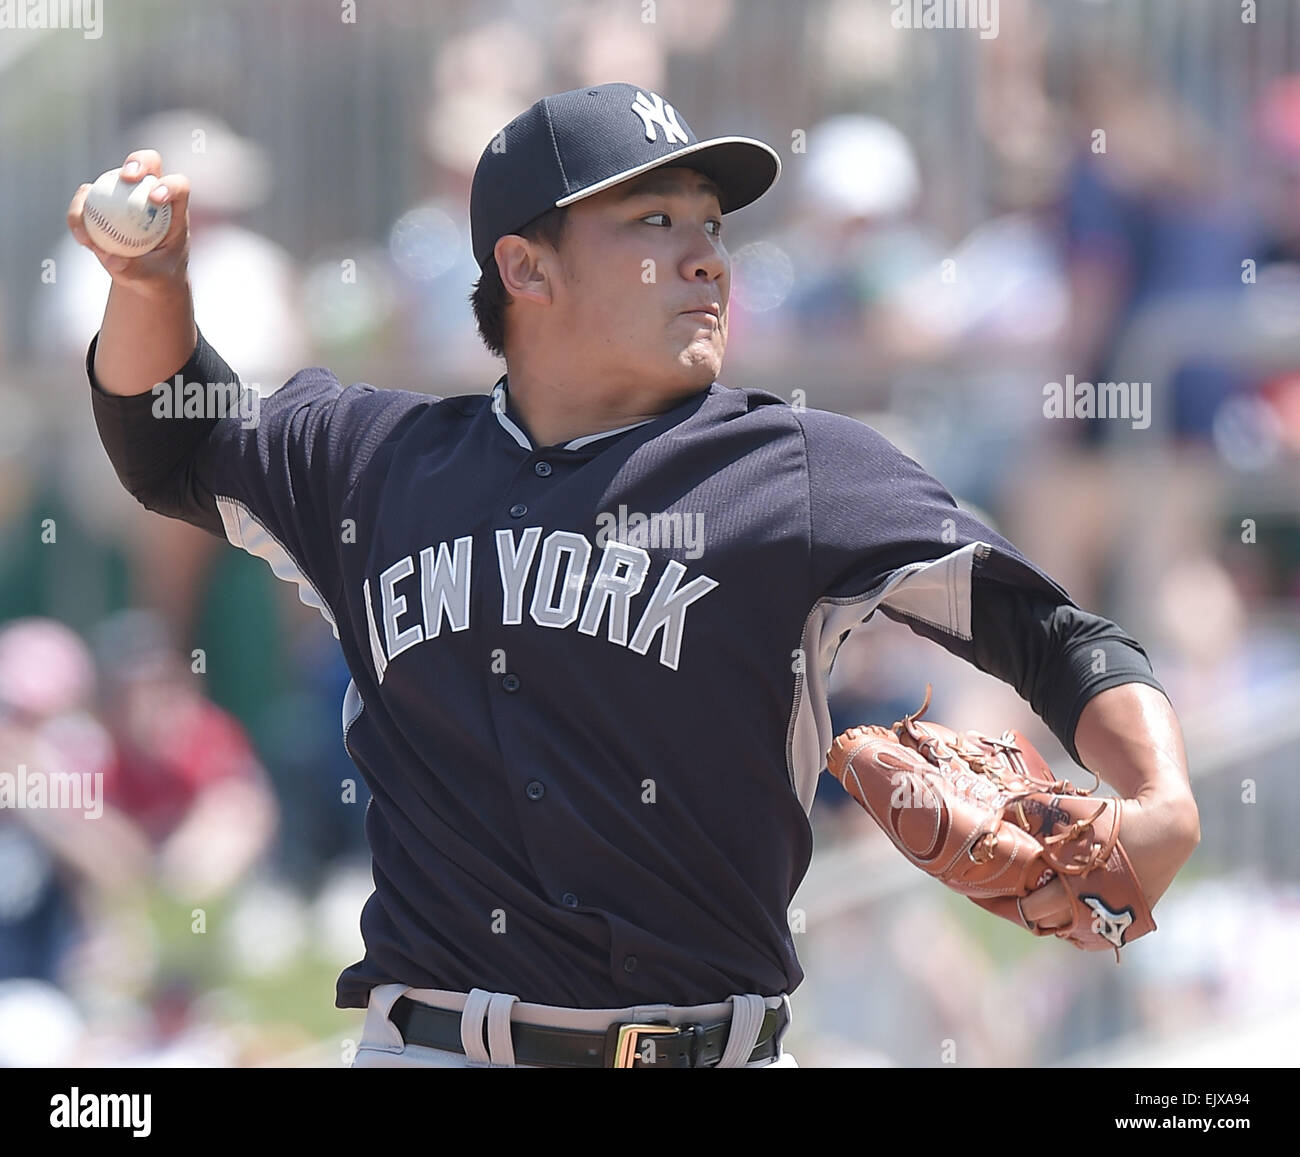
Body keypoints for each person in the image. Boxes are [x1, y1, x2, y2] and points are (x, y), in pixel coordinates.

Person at [68, 83, 1200, 1069]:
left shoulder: (797, 471)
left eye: (711, 224)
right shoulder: (371, 462)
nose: (706, 252)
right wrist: (152, 283)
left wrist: (1158, 795)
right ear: (525, 265)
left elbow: (1050, 632)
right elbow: (166, 435)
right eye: (652, 219)